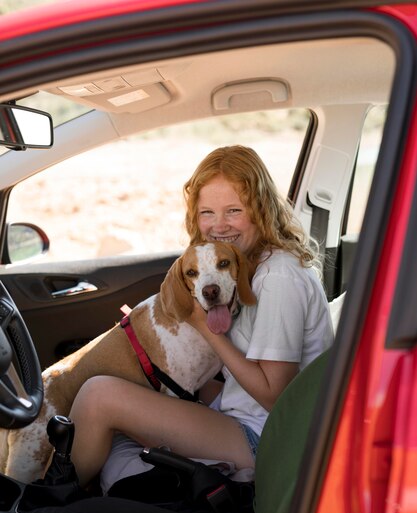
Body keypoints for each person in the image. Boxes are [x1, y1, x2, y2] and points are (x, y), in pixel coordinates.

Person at [69, 145, 334, 489]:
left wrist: (204, 330)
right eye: (207, 212)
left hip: (272, 439)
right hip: (248, 415)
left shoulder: (277, 277)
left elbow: (276, 395)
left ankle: (55, 501)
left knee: (99, 396)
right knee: (133, 401)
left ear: (261, 210)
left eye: (234, 211)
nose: (218, 226)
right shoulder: (247, 266)